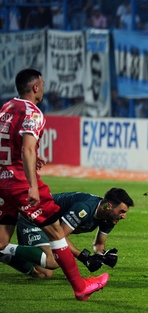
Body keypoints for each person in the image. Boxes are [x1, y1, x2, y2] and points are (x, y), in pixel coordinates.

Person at [0, 68, 108, 300]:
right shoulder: (34, 112)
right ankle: (80, 287)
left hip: (2, 179)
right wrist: (31, 185)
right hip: (20, 182)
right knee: (57, 233)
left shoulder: (6, 108)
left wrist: (26, 157)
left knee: (1, 241)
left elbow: (14, 145)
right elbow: (27, 147)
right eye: (43, 83)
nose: (44, 87)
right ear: (36, 87)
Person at [3, 188, 134, 278]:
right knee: (53, 261)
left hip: (48, 226)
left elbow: (99, 244)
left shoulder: (109, 217)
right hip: (34, 215)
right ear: (109, 206)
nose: (124, 216)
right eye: (122, 211)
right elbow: (59, 237)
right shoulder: (84, 208)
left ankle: (4, 255)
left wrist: (102, 256)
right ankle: (3, 247)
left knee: (43, 274)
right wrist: (84, 257)